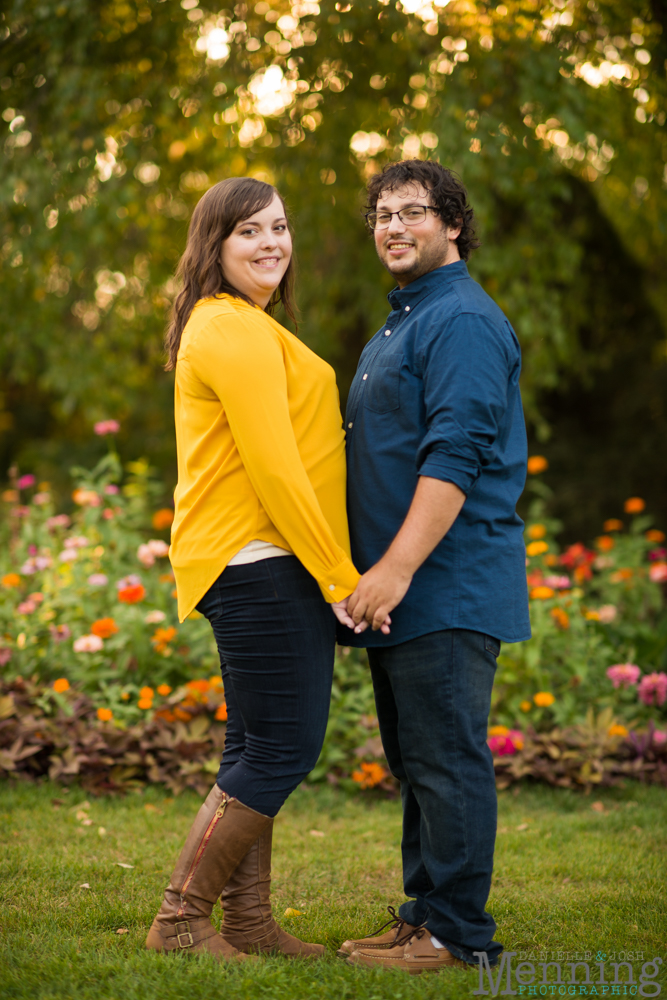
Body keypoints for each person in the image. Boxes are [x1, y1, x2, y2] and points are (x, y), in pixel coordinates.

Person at [146, 176, 369, 963]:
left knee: (255, 746)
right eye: (248, 231)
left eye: (278, 226)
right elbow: (276, 470)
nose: (270, 242)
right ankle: (179, 920)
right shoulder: (229, 328)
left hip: (263, 559)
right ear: (215, 245)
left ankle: (244, 923)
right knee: (281, 749)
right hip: (259, 560)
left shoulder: (245, 325)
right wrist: (339, 576)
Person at [336, 160, 531, 974]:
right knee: (419, 762)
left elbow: (454, 457)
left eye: (413, 212)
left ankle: (457, 936)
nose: (393, 227)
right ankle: (425, 915)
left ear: (452, 224)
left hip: (441, 584)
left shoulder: (459, 322)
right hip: (406, 592)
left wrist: (395, 569)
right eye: (382, 214)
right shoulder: (409, 317)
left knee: (446, 762)